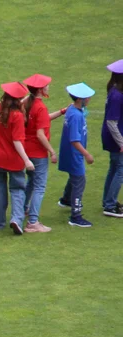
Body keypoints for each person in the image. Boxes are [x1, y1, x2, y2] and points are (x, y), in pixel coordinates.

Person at [21, 74, 66, 233]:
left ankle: (24, 209)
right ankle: (33, 222)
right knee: (39, 186)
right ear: (40, 89)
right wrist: (52, 151)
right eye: (46, 85)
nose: (48, 87)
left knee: (31, 182)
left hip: (26, 150)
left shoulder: (27, 102)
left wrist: (61, 112)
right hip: (38, 153)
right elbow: (40, 133)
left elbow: (42, 120)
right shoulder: (39, 106)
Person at [0, 82, 35, 235]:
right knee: (18, 190)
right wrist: (27, 160)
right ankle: (16, 218)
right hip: (14, 160)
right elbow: (17, 141)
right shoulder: (18, 116)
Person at [57, 83, 97, 228]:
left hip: (70, 154)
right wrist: (87, 154)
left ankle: (66, 199)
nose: (89, 99)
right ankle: (76, 216)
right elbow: (74, 140)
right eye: (88, 97)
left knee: (74, 178)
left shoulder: (72, 110)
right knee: (80, 181)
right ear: (81, 99)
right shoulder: (75, 115)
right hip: (75, 155)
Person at [102, 60, 123, 218]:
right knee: (120, 170)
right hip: (116, 139)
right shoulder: (117, 96)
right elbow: (112, 122)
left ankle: (107, 201)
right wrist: (121, 142)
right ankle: (109, 205)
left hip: (112, 137)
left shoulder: (114, 91)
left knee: (114, 168)